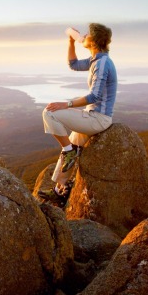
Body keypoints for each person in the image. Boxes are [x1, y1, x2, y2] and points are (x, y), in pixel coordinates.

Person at [39, 23, 117, 202]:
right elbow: (73, 64)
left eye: (88, 34)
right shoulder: (95, 60)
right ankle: (60, 191)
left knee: (49, 112)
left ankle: (69, 151)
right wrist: (71, 42)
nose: (84, 35)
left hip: (98, 118)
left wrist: (66, 104)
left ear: (93, 41)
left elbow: (94, 96)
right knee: (70, 146)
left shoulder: (102, 63)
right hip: (93, 116)